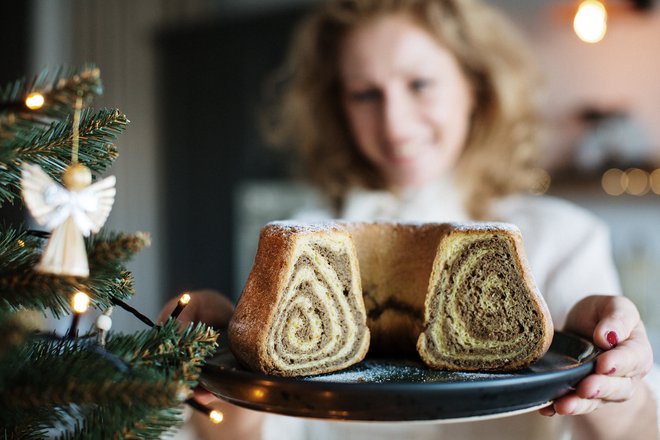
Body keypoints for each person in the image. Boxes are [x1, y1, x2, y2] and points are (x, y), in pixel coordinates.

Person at [161, 0, 659, 438]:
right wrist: (218, 368)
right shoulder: (304, 243)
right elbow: (252, 430)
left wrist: (613, 379)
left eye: (419, 83)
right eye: (365, 94)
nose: (395, 124)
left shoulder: (562, 239)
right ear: (336, 106)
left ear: (476, 85)